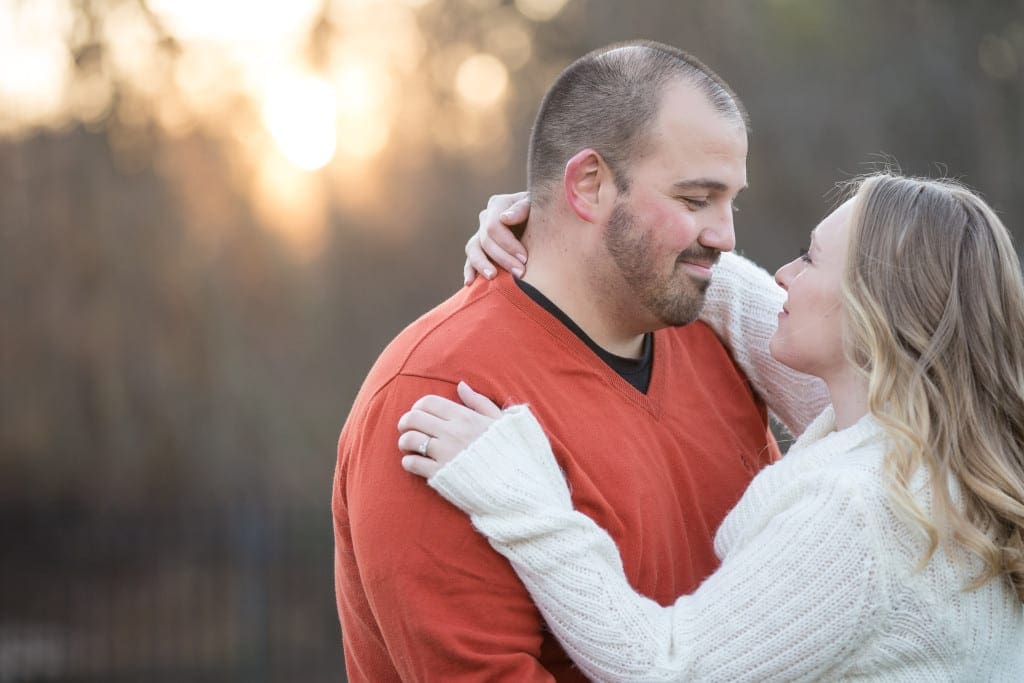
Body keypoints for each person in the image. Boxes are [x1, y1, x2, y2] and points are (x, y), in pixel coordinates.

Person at [397, 172, 1024, 681]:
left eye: (810, 258)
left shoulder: (857, 513)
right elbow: (741, 301)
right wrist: (581, 234)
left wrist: (520, 495)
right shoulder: (938, 438)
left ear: (875, 310)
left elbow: (665, 669)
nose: (785, 273)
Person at [333, 40, 826, 681]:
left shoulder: (720, 337)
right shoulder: (440, 400)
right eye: (696, 199)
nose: (726, 237)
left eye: (732, 201)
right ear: (588, 185)